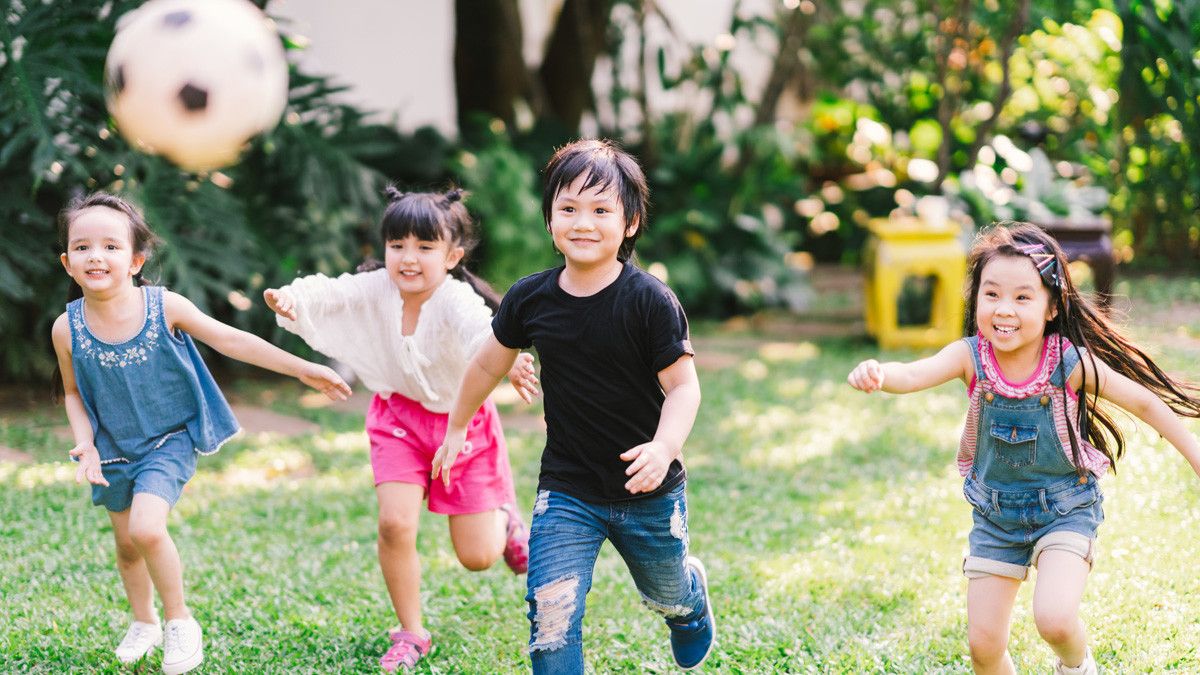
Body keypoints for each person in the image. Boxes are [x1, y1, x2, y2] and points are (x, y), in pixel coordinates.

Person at [847, 222, 1200, 674]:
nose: (1003, 310)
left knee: (1053, 619)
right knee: (983, 646)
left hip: (1066, 508)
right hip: (996, 518)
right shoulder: (969, 356)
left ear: (1052, 307)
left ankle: (1076, 665)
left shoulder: (1069, 363)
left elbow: (1146, 403)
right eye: (991, 294)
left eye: (1022, 297)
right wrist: (880, 372)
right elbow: (913, 374)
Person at [434, 139, 715, 673]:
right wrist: (455, 426)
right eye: (568, 208)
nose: (583, 222)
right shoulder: (530, 299)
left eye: (601, 209)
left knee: (666, 591)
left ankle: (689, 608)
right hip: (567, 488)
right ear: (550, 220)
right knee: (551, 611)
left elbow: (684, 388)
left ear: (629, 223)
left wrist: (664, 446)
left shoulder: (650, 301)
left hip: (647, 489)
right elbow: (486, 365)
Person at [51, 192, 352, 675]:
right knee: (127, 546)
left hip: (168, 438)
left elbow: (231, 340)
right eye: (82, 247)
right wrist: (84, 441)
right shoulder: (66, 329)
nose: (96, 256)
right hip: (112, 448)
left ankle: (180, 621)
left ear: (135, 260)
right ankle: (144, 621)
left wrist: (301, 369)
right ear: (68, 262)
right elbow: (71, 393)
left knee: (147, 528)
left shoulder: (163, 305)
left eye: (111, 245)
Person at [264, 187, 535, 671]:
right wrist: (292, 299)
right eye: (397, 245)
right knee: (394, 524)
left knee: (478, 556)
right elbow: (331, 290)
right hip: (397, 420)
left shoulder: (455, 299)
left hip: (460, 421)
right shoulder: (376, 289)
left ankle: (507, 520)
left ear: (452, 256)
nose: (408, 259)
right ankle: (411, 631)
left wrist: (507, 363)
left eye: (425, 248)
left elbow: (482, 333)